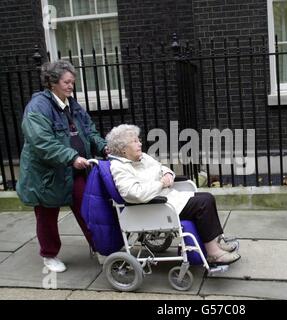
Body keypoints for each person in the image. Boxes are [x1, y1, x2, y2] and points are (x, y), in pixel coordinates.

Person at [16, 60, 108, 272]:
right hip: (46, 175)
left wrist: (104, 148)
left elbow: (90, 131)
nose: (70, 86)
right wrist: (71, 156)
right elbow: (42, 142)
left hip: (74, 170)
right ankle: (49, 255)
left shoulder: (72, 105)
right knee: (47, 216)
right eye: (66, 82)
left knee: (88, 209)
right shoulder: (38, 108)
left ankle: (100, 247)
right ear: (52, 83)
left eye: (72, 82)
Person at [105, 124, 241, 265]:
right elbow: (134, 193)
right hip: (153, 209)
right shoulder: (119, 168)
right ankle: (214, 254)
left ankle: (214, 244)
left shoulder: (142, 158)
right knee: (203, 204)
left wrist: (168, 173)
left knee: (207, 197)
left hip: (167, 201)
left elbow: (161, 168)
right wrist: (161, 184)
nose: (140, 143)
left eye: (138, 140)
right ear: (123, 149)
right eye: (134, 141)